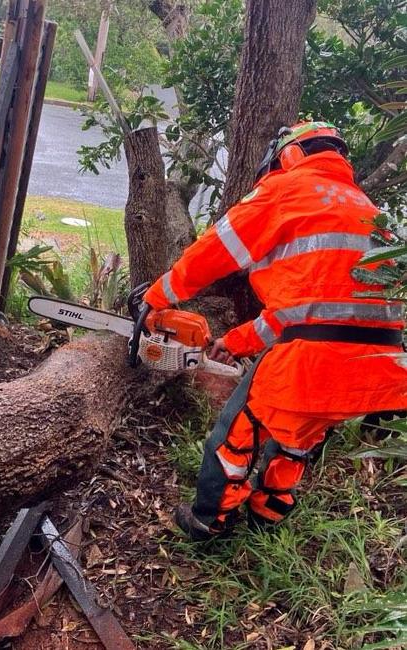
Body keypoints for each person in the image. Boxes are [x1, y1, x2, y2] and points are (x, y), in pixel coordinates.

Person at [143, 121, 407, 540]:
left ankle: (209, 520)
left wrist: (159, 295)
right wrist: (233, 342)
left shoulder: (287, 189)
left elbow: (216, 250)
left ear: (291, 155)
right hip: (379, 366)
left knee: (238, 428)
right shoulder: (368, 209)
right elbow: (308, 312)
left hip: (313, 355)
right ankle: (270, 511)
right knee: (299, 432)